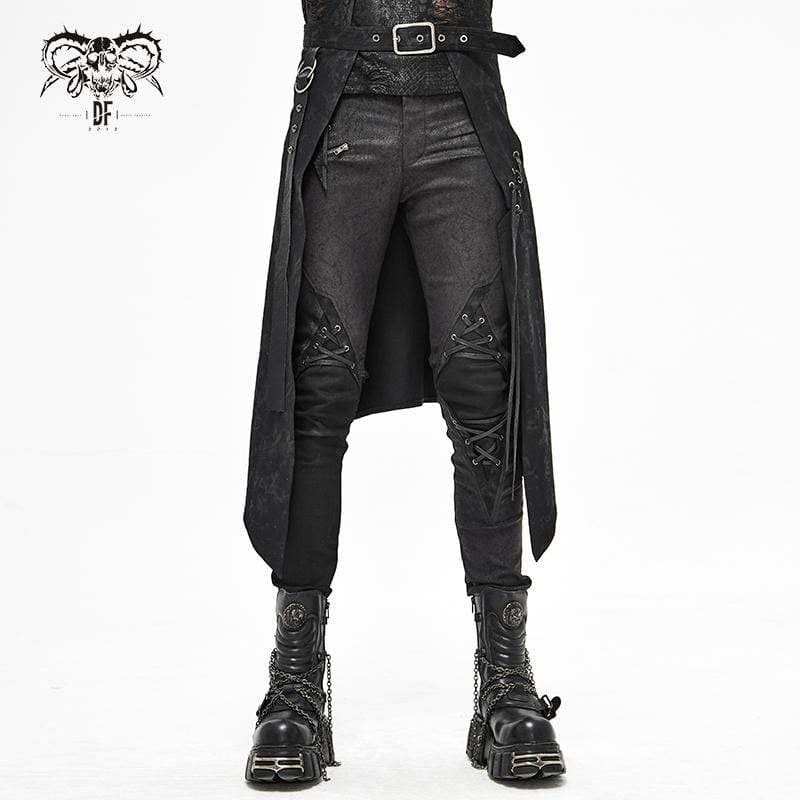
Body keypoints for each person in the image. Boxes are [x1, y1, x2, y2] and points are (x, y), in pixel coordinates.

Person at [243, 0, 563, 783]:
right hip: (343, 99)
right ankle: (295, 682)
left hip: (460, 104)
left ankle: (505, 675)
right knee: (318, 383)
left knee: (483, 383)